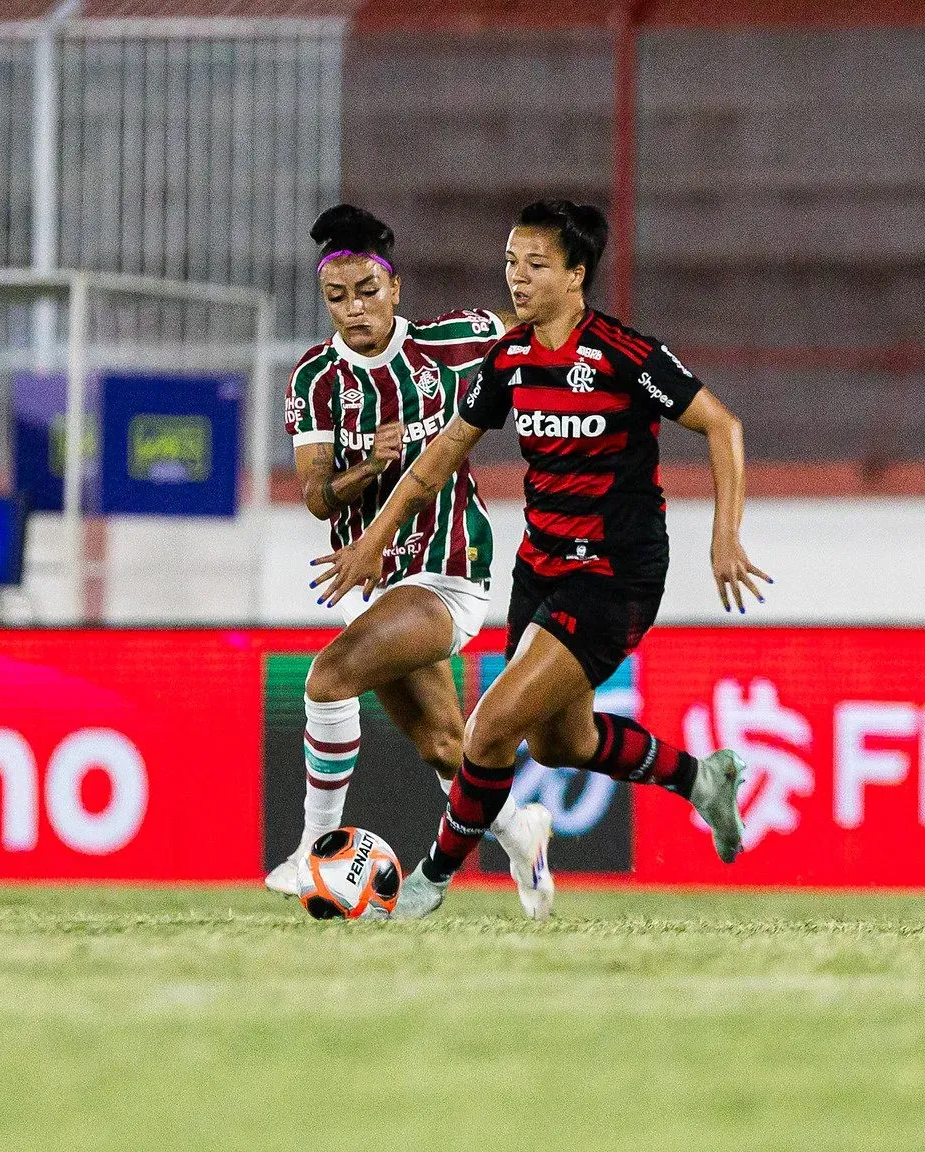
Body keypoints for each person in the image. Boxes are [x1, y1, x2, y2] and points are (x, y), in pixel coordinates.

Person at [312, 199, 771, 919]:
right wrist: (371, 540)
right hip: (544, 567)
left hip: (616, 574)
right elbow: (442, 456)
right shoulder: (512, 357)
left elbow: (722, 424)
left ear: (576, 274)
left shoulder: (622, 353)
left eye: (535, 265)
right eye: (509, 264)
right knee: (563, 742)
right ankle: (700, 780)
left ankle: (430, 879)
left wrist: (726, 536)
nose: (517, 279)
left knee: (489, 727)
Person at [271, 203, 556, 918]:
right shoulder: (315, 379)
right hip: (368, 583)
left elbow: (540, 328)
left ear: (395, 289)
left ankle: (313, 849)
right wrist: (369, 466)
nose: (353, 308)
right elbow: (314, 496)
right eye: (336, 297)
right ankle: (522, 832)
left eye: (367, 290)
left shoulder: (457, 342)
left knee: (329, 678)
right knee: (440, 743)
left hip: (447, 571)